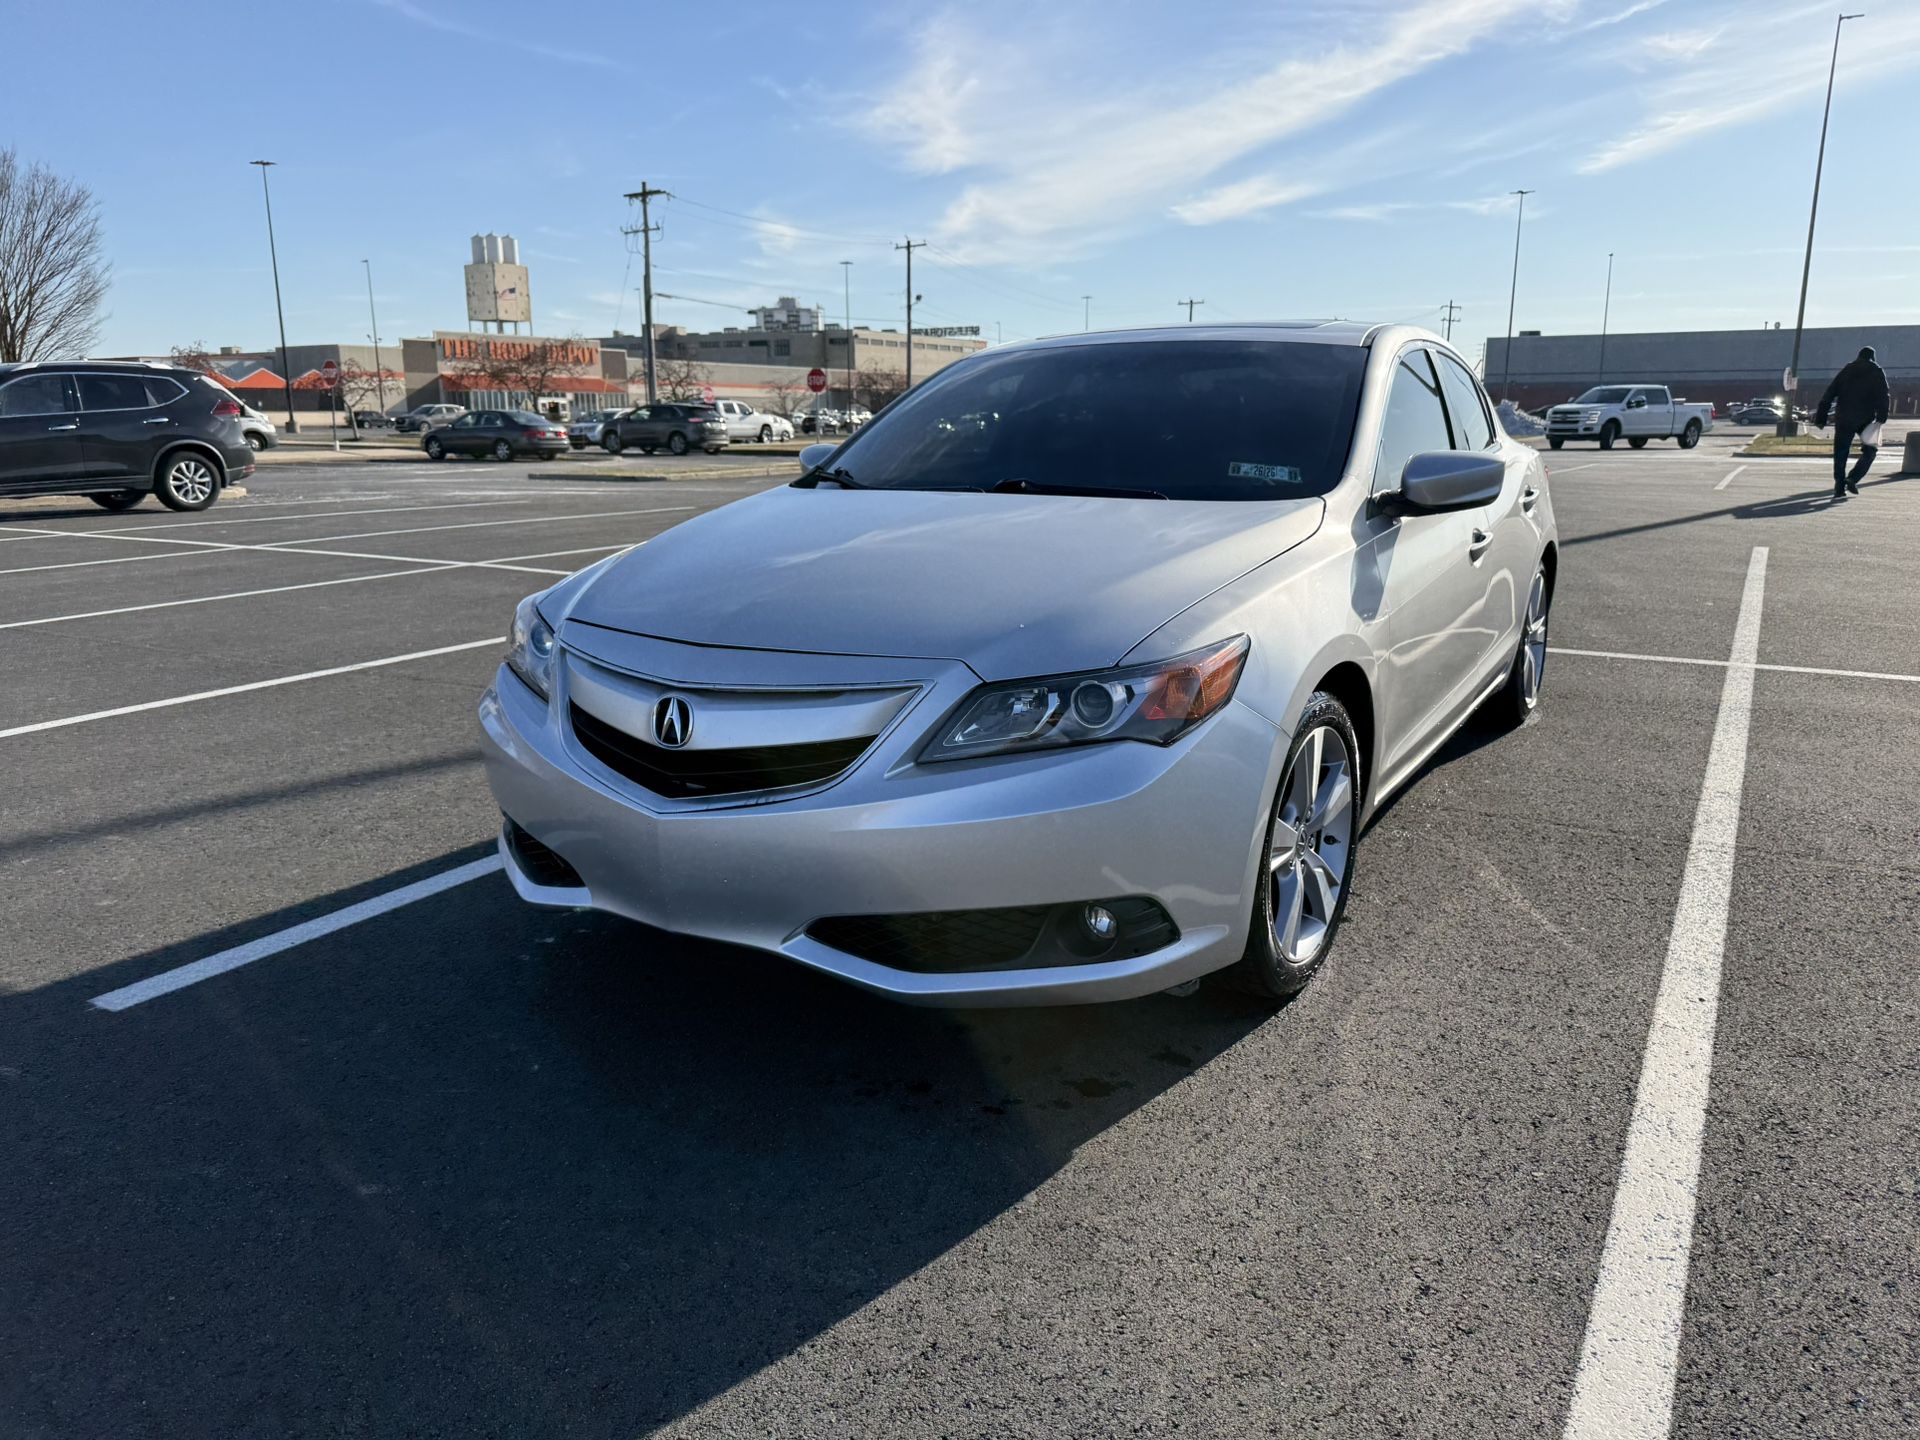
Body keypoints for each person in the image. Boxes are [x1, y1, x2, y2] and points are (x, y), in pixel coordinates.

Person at [1815, 345, 1891, 498]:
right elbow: (1883, 395)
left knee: (1841, 453)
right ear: (1872, 357)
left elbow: (1830, 393)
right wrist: (1882, 416)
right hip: (1865, 418)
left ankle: (1839, 486)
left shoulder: (1847, 370)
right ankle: (1853, 478)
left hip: (1843, 417)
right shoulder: (1876, 371)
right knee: (1870, 450)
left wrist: (1821, 417)